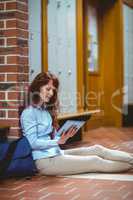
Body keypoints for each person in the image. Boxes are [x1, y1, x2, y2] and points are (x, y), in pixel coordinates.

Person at [20, 72, 133, 175]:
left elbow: (53, 139)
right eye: (48, 89)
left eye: (53, 90)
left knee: (97, 149)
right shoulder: (29, 113)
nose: (51, 93)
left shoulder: (46, 110)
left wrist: (65, 135)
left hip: (57, 153)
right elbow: (32, 143)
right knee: (95, 161)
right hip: (45, 161)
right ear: (37, 88)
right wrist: (57, 141)